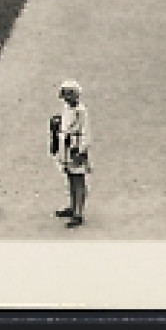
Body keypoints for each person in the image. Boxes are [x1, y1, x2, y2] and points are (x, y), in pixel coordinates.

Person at [53, 79, 90, 227]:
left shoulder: (81, 111)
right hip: (66, 147)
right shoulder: (67, 108)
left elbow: (86, 132)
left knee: (78, 179)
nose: (67, 99)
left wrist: (81, 150)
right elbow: (64, 125)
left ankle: (78, 212)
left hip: (76, 147)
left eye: (70, 95)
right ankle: (72, 206)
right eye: (65, 95)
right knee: (70, 176)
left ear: (76, 95)